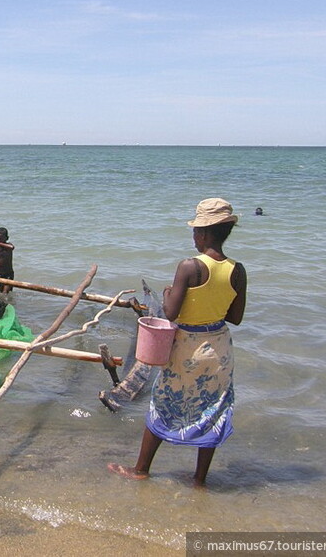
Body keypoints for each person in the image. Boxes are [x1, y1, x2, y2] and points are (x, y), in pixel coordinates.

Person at [108, 198, 247, 487]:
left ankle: (141, 469)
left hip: (187, 346)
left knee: (163, 401)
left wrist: (169, 291)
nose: (194, 236)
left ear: (204, 233)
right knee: (213, 408)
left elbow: (170, 312)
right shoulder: (238, 270)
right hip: (219, 348)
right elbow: (235, 316)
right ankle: (199, 479)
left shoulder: (189, 267)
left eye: (196, 231)